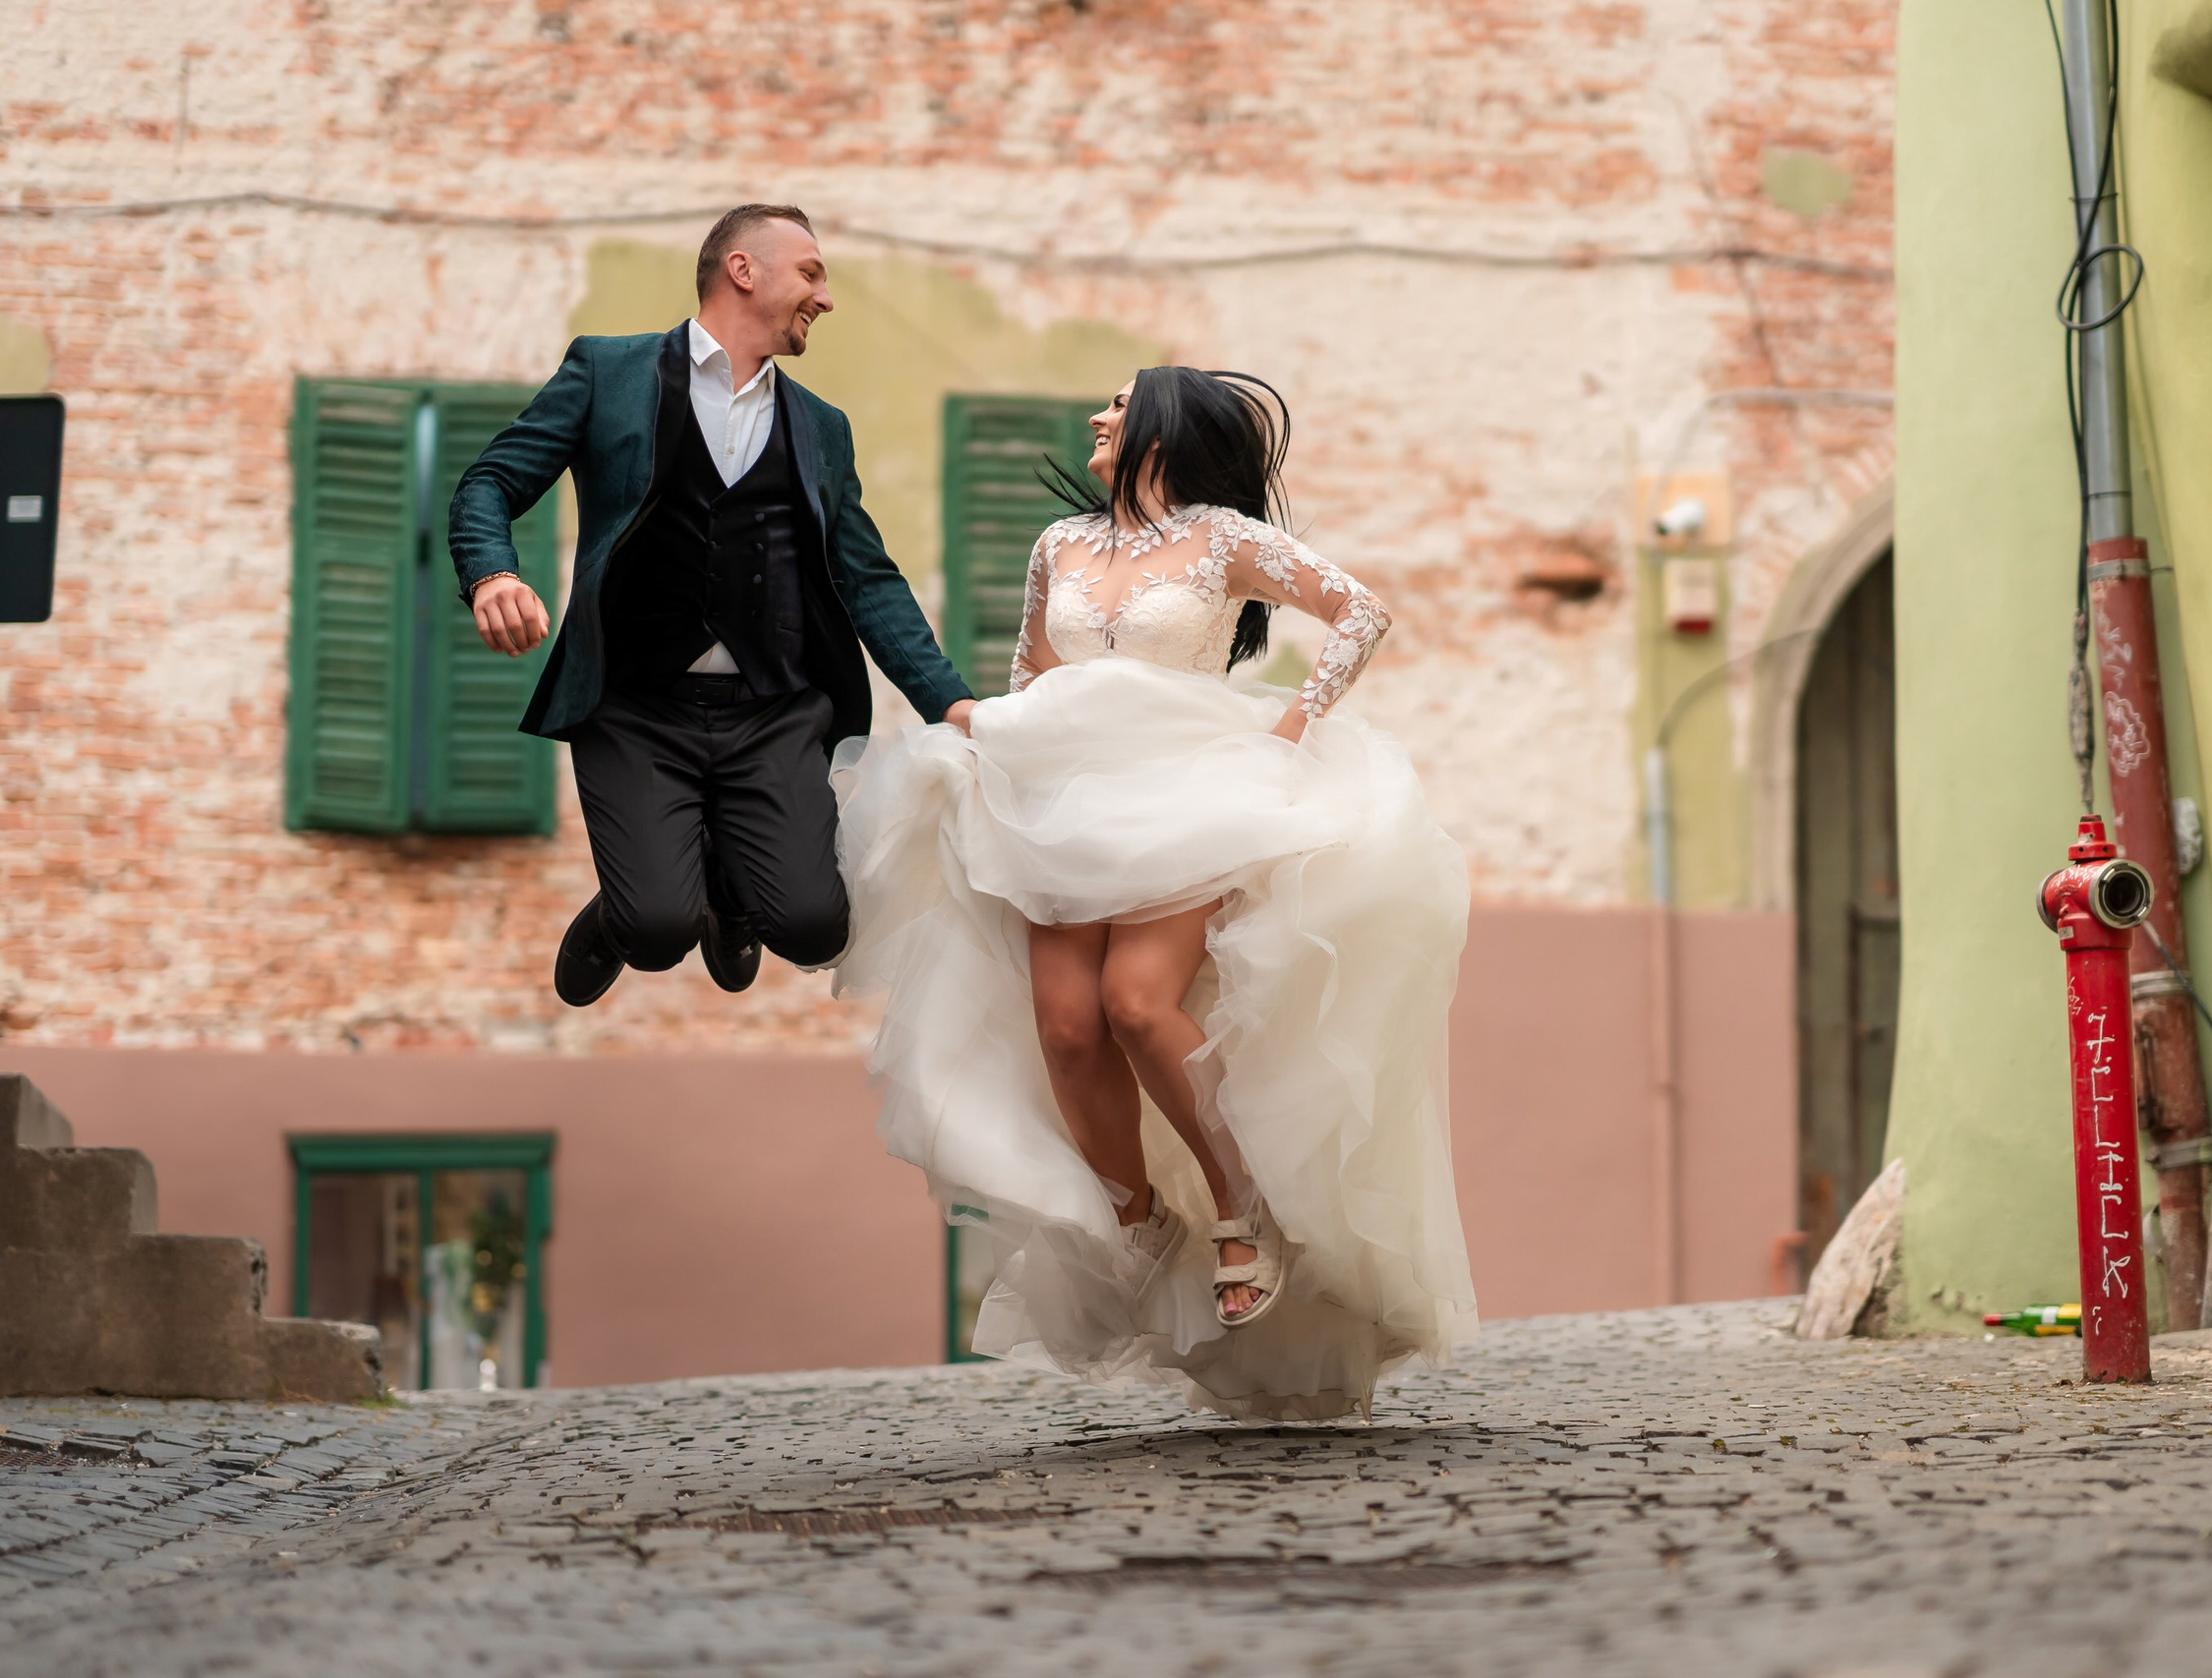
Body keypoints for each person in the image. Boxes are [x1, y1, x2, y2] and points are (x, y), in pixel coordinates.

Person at [833, 368, 1477, 1421]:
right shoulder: (1059, 546)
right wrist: (1001, 746)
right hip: (1061, 800)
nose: (1097, 417)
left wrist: (1293, 723)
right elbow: (1031, 667)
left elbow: (1359, 612)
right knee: (1067, 1026)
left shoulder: (1224, 539)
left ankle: (1243, 1209)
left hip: (1186, 794)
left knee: (1138, 1002)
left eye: (1119, 405)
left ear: (1166, 427)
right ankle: (1138, 1220)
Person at [448, 205, 976, 1007]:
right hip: (634, 705)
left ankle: (733, 894)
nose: (825, 297)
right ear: (742, 270)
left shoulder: (821, 429)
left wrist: (951, 700)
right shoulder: (606, 372)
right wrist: (493, 574)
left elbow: (868, 579)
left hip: (772, 710)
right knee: (658, 928)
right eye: (811, 272)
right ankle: (624, 912)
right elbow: (489, 482)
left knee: (812, 927)